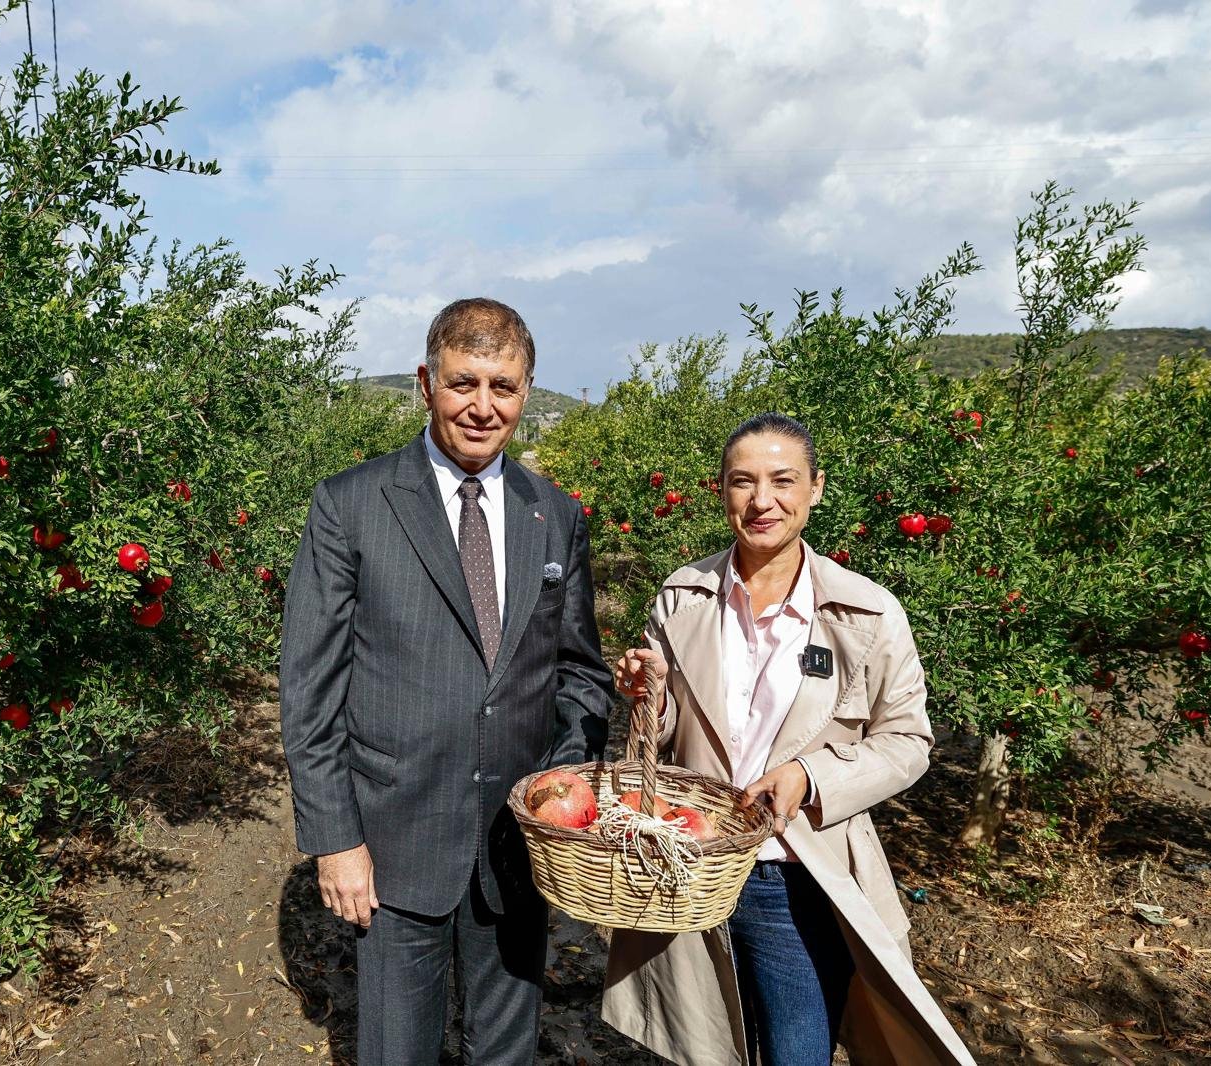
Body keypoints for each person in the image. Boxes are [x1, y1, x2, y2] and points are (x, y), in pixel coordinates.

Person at [280, 298, 612, 1066]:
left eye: (504, 386)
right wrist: (335, 840)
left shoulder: (554, 514)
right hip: (396, 836)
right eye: (465, 383)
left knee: (506, 1047)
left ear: (527, 392)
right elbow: (310, 686)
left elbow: (581, 675)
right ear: (427, 381)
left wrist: (560, 791)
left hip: (518, 843)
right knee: (398, 1046)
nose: (484, 407)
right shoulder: (353, 503)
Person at [602, 413, 975, 1066]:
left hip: (794, 881)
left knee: (796, 1052)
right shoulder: (683, 595)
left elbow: (908, 741)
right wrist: (648, 692)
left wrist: (811, 777)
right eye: (743, 482)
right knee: (706, 1046)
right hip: (693, 861)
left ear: (816, 488)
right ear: (721, 490)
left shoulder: (867, 612)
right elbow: (661, 737)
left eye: (783, 480)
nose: (762, 500)